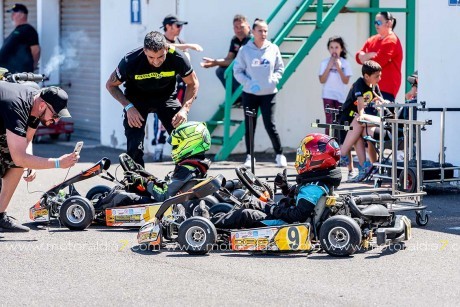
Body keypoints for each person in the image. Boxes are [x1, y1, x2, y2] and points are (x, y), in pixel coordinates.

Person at [106, 31, 199, 166]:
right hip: (137, 101)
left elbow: (193, 83)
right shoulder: (130, 60)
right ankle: (137, 181)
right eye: (151, 57)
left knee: (183, 137)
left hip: (166, 98)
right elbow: (110, 85)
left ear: (166, 48)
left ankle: (185, 176)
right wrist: (128, 107)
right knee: (134, 146)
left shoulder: (178, 57)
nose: (156, 61)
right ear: (144, 51)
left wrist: (184, 109)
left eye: (161, 56)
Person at [210, 133, 342, 229]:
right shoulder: (318, 180)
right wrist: (285, 187)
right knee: (252, 203)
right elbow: (299, 197)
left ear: (317, 160)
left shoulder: (313, 187)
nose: (301, 160)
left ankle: (208, 225)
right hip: (285, 214)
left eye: (304, 157)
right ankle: (218, 221)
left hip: (286, 225)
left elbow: (297, 215)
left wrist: (273, 209)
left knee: (245, 214)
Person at [0, 83, 79, 232]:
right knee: (19, 160)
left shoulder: (37, 103)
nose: (56, 121)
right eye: (55, 116)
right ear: (43, 106)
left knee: (20, 163)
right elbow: (19, 157)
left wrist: (29, 163)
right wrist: (58, 163)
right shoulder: (17, 107)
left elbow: (27, 139)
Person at [95, 121, 211, 210]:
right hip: (175, 203)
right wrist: (147, 177)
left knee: (119, 195)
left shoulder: (186, 169)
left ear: (190, 143)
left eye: (177, 145)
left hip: (166, 208)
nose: (174, 148)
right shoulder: (197, 165)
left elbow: (164, 196)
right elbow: (171, 188)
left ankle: (93, 209)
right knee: (130, 190)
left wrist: (144, 182)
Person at [233, 18, 286, 167]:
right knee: (250, 125)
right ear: (253, 32)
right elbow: (237, 71)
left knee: (270, 124)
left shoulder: (273, 48)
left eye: (265, 31)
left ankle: (279, 154)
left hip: (269, 93)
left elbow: (280, 68)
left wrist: (274, 79)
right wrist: (249, 83)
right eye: (260, 30)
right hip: (250, 94)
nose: (263, 33)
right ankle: (250, 156)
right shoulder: (245, 50)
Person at [339, 60, 390, 182]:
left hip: (357, 118)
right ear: (366, 76)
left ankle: (363, 167)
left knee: (358, 139)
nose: (379, 78)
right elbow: (360, 101)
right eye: (377, 76)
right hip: (348, 116)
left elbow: (379, 99)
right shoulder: (360, 83)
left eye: (380, 75)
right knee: (351, 140)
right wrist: (362, 116)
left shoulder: (374, 86)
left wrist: (382, 103)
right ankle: (347, 161)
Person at [356, 11, 403, 102]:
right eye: (375, 22)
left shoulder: (392, 40)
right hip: (370, 87)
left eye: (379, 22)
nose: (376, 25)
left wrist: (365, 57)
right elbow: (358, 57)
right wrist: (370, 55)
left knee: (382, 115)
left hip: (386, 89)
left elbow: (378, 62)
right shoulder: (373, 39)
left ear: (389, 23)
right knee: (366, 113)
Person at [200, 14, 252, 96]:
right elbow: (229, 58)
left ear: (248, 27)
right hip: (238, 67)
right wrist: (213, 62)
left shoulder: (251, 40)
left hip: (249, 69)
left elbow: (240, 61)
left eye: (242, 27)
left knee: (232, 70)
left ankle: (242, 95)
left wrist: (216, 62)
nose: (239, 30)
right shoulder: (235, 39)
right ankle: (236, 97)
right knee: (220, 71)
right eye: (236, 27)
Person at [319, 36, 352, 135]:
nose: (334, 50)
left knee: (340, 120)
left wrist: (338, 68)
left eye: (336, 47)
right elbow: (322, 80)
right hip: (328, 95)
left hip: (340, 96)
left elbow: (345, 81)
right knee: (329, 120)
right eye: (331, 47)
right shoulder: (324, 63)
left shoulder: (345, 63)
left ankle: (340, 144)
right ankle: (328, 144)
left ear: (341, 49)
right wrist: (329, 67)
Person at [0, 3, 40, 73]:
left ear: (22, 15)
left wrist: (30, 68)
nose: (12, 16)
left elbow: (36, 50)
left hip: (17, 74)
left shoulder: (28, 30)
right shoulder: (17, 30)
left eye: (14, 13)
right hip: (6, 72)